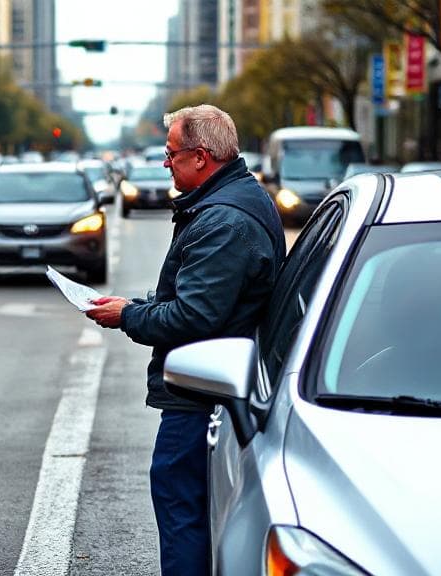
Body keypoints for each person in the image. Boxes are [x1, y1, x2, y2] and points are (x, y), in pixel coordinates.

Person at [85, 105, 285, 575]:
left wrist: (128, 315)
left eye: (171, 154)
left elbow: (194, 317)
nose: (165, 163)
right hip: (215, 388)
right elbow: (200, 297)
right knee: (191, 509)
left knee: (182, 512)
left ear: (200, 157)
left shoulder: (223, 221)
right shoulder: (233, 201)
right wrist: (137, 304)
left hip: (202, 397)